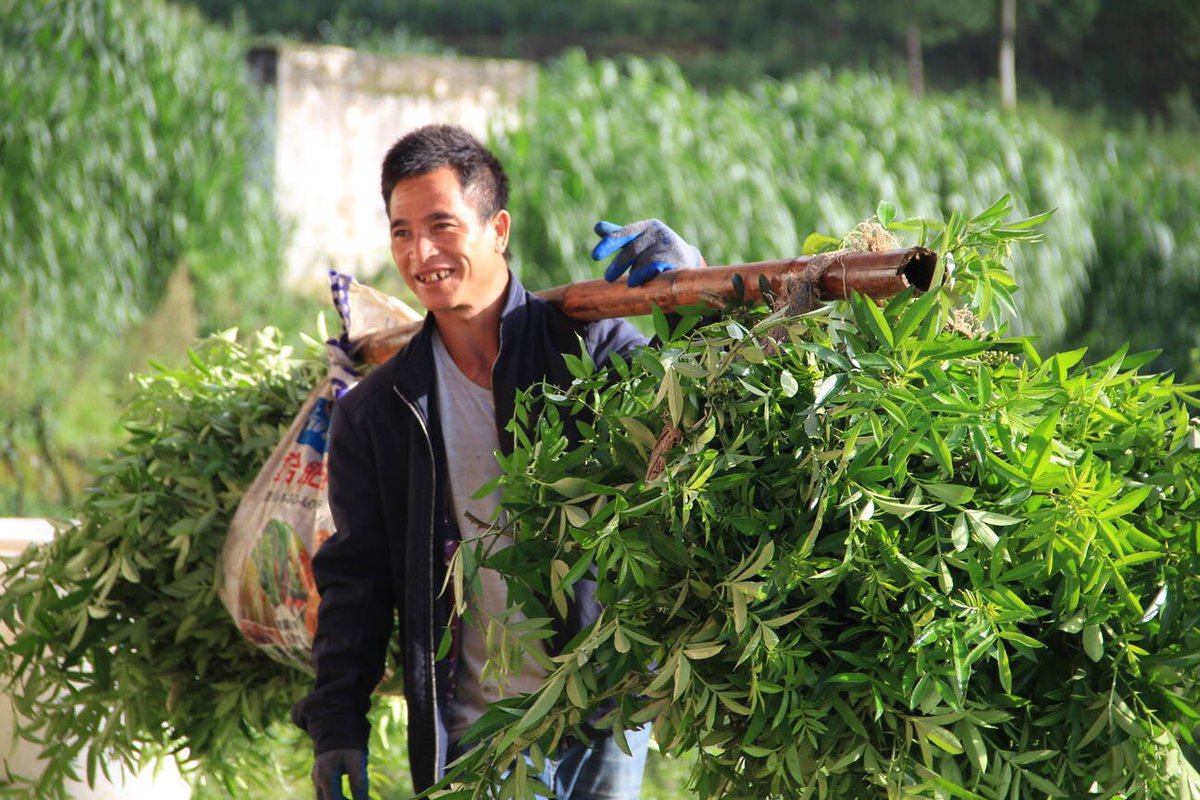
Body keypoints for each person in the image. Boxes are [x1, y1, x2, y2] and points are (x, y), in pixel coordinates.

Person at [291, 123, 704, 800]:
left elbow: (695, 422)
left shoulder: (588, 350)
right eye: (401, 232)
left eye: (441, 226)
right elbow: (355, 583)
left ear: (498, 229)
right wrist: (337, 723)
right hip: (479, 733)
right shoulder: (378, 413)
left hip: (603, 718)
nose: (420, 253)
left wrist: (693, 295)